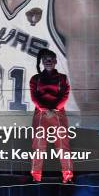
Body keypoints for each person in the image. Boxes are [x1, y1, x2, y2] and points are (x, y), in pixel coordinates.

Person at [29, 48, 73, 183]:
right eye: (45, 60)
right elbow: (34, 97)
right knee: (38, 146)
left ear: (55, 61)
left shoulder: (62, 78)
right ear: (42, 62)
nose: (48, 62)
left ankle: (68, 176)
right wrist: (45, 110)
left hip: (58, 114)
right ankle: (36, 177)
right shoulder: (35, 79)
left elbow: (65, 95)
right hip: (41, 114)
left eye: (50, 60)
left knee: (62, 146)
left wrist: (54, 109)